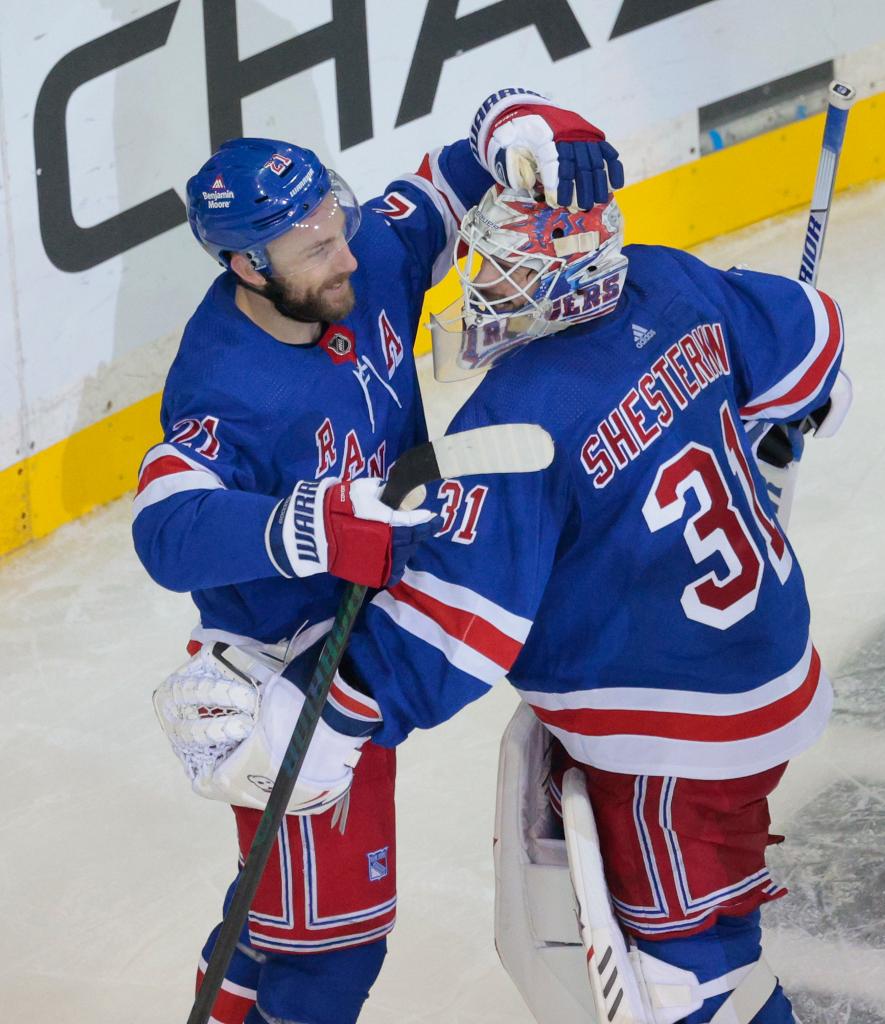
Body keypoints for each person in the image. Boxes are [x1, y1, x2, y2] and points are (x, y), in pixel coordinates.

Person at [308, 178, 851, 1024]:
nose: (482, 286)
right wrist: (796, 412)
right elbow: (807, 339)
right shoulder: (670, 283)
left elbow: (457, 625)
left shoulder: (521, 417)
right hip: (765, 654)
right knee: (692, 920)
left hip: (672, 731)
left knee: (689, 979)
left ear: (566, 278)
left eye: (510, 272)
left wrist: (330, 706)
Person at [132, 90, 622, 1024]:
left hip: (373, 653)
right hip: (298, 690)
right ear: (245, 265)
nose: (348, 255)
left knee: (276, 923)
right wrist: (307, 524)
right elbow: (165, 522)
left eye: (339, 226)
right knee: (328, 959)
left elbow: (451, 177)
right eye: (315, 249)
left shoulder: (367, 259)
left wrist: (520, 121)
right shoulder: (223, 379)